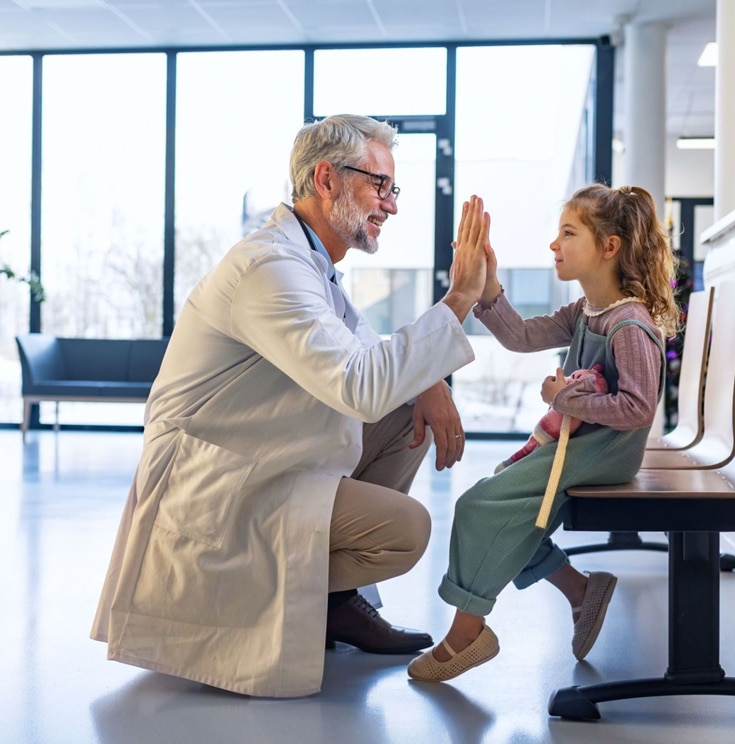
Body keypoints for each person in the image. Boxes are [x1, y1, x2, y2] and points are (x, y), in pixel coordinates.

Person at [91, 114, 492, 698]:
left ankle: (330, 604)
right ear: (326, 178)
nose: (392, 206)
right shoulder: (270, 268)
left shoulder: (312, 265)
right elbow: (359, 385)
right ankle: (275, 596)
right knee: (406, 532)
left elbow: (363, 356)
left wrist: (426, 382)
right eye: (380, 186)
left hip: (262, 459)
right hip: (216, 484)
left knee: (408, 413)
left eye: (392, 189)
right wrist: (458, 299)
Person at [407, 183, 680, 682]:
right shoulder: (586, 312)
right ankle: (581, 591)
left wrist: (563, 398)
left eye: (568, 233)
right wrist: (488, 284)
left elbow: (638, 409)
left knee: (479, 506)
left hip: (606, 450)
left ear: (609, 247)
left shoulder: (629, 323)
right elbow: (522, 337)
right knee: (505, 502)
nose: (554, 245)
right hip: (585, 441)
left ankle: (467, 633)